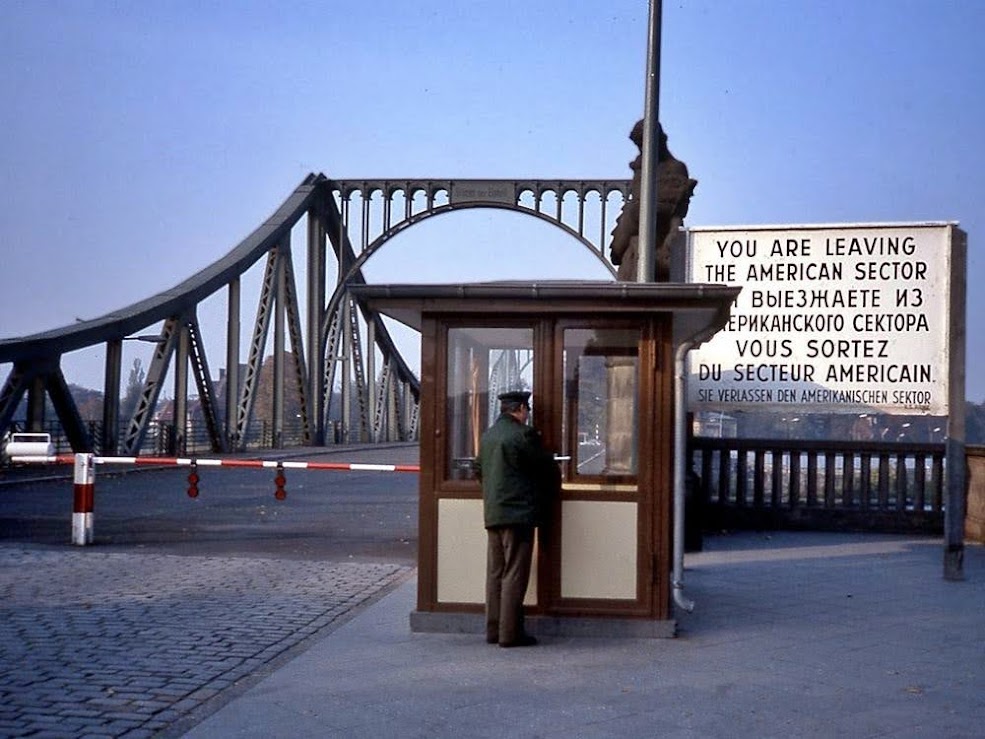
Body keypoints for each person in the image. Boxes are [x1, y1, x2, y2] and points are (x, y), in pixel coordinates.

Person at [474, 390, 559, 648]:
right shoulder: (523, 435)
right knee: (514, 574)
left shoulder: (488, 436)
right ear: (521, 409)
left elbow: (479, 470)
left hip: (494, 513)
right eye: (527, 410)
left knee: (496, 573)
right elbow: (545, 468)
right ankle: (510, 634)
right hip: (519, 514)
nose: (528, 415)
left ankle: (493, 629)